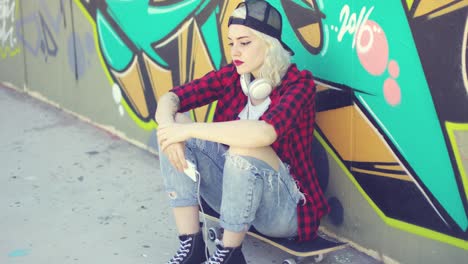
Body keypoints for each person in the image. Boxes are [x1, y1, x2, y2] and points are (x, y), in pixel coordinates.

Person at [155, 0, 329, 263]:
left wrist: (186, 130)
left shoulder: (298, 84)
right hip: (235, 198)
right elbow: (171, 98)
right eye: (231, 42)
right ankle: (191, 245)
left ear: (269, 43)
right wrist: (172, 132)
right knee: (172, 124)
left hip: (285, 213)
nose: (235, 51)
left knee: (244, 144)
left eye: (245, 43)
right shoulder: (234, 77)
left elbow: (264, 134)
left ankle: (229, 253)